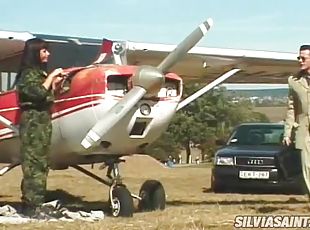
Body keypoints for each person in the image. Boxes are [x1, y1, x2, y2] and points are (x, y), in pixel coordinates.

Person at [16, 38, 64, 218]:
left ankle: (37, 201)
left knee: (42, 164)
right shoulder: (28, 74)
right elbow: (36, 94)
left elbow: (47, 95)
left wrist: (55, 85)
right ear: (35, 52)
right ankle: (31, 205)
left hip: (43, 124)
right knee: (33, 164)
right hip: (33, 124)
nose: (48, 54)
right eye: (44, 51)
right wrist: (51, 77)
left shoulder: (39, 74)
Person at [283, 44, 310, 198]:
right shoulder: (293, 81)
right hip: (304, 131)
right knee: (307, 166)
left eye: (303, 58)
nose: (300, 60)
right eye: (298, 57)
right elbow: (291, 108)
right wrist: (287, 132)